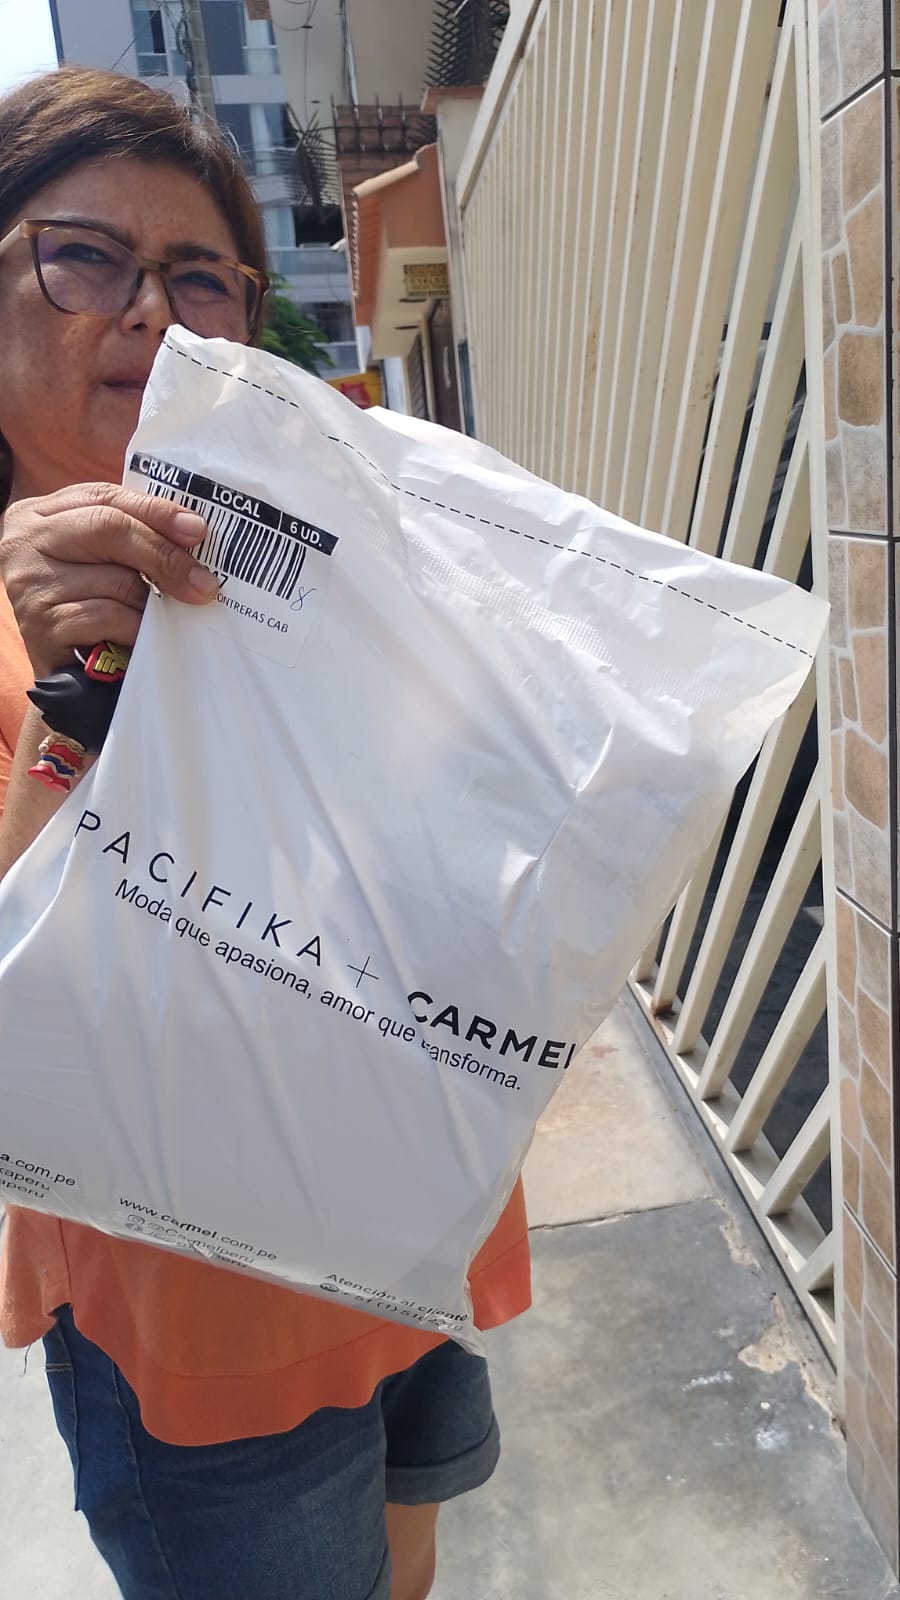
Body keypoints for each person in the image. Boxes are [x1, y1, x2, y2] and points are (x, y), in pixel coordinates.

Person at [0, 67, 531, 1600]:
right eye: (83, 256)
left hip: (411, 1237)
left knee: (411, 1570)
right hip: (198, 1330)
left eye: (198, 276)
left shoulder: (325, 556)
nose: (150, 313)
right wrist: (75, 694)